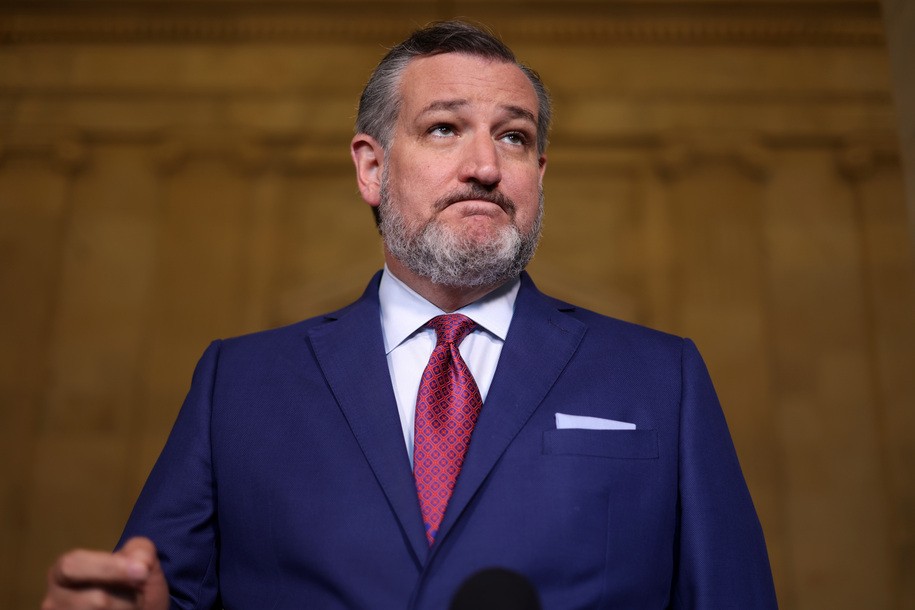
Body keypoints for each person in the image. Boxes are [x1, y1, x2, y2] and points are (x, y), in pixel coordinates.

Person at [42, 20, 778, 609]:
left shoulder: (660, 376)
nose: (485, 165)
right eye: (444, 129)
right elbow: (158, 591)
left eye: (514, 137)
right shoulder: (237, 382)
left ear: (538, 175)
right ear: (371, 167)